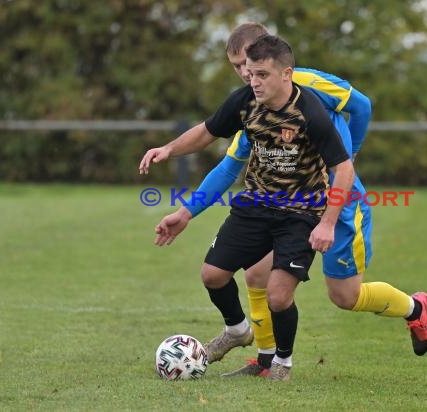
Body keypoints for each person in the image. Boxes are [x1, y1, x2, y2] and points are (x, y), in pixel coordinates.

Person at [151, 23, 427, 378]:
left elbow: (361, 106)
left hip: (338, 201)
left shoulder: (308, 89)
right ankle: (265, 359)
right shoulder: (254, 109)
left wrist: (350, 156)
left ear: (274, 55)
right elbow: (227, 167)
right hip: (281, 205)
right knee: (256, 274)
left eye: (251, 64)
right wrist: (186, 211)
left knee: (344, 296)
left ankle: (414, 308)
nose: (245, 74)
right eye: (238, 67)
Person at [140, 34, 355, 381]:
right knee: (212, 275)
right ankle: (238, 330)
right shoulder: (243, 101)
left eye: (261, 75)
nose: (252, 81)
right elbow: (207, 132)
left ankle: (281, 364)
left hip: (301, 213)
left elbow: (343, 169)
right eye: (249, 73)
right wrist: (169, 149)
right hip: (255, 205)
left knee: (279, 295)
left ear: (286, 74)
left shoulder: (309, 110)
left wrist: (327, 223)